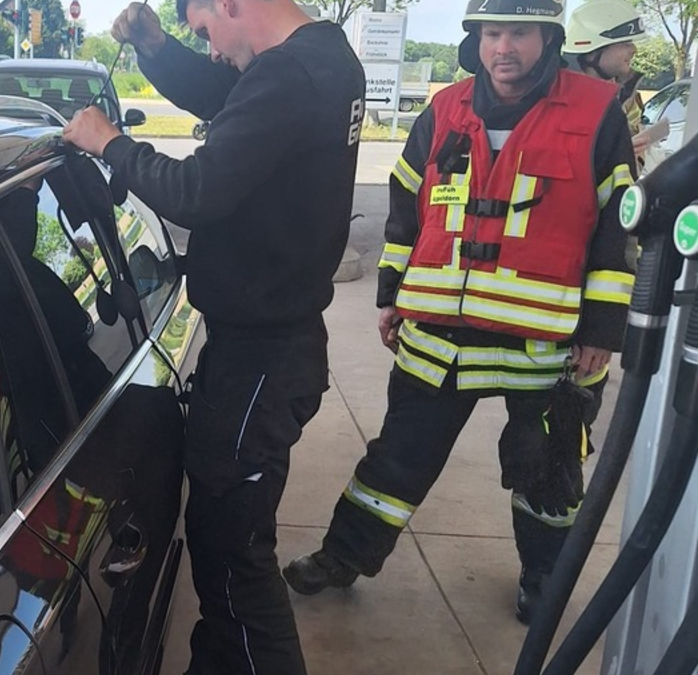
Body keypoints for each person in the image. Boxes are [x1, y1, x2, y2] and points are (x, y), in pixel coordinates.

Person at [284, 0, 637, 627]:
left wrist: (602, 330)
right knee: (396, 460)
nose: (504, 48)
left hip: (545, 347)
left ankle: (545, 580)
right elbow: (406, 205)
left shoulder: (595, 111)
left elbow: (617, 230)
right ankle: (343, 557)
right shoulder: (445, 108)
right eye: (492, 33)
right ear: (475, 39)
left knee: (547, 475)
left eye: (520, 34)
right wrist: (393, 293)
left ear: (548, 37)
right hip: (440, 335)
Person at [62, 0, 365, 672]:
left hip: (261, 360)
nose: (213, 51)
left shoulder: (289, 77)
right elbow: (235, 96)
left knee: (234, 560)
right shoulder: (323, 58)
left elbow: (196, 190)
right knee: (225, 545)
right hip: (275, 348)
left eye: (204, 32)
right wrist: (157, 46)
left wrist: (111, 142)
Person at [563, 0, 652, 161]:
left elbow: (636, 166)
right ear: (592, 52)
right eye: (625, 43)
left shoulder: (629, 98)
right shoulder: (555, 96)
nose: (634, 50)